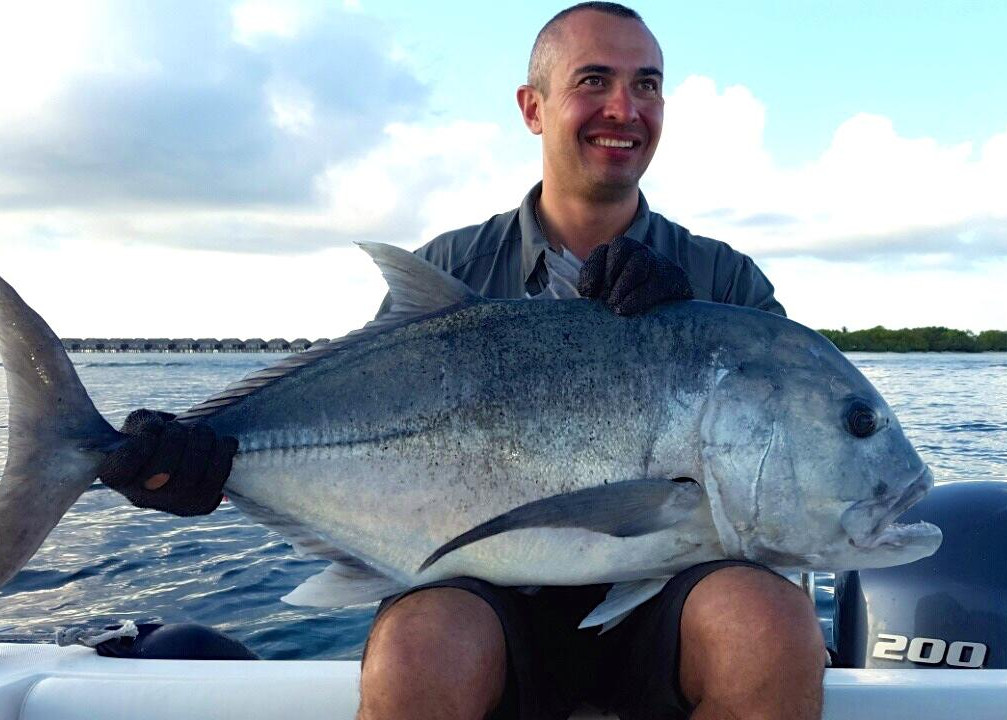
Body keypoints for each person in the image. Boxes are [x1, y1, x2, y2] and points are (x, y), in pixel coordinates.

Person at [98, 3, 825, 719]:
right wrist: (203, 457)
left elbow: (790, 462)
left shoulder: (725, 285)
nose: (624, 108)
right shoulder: (453, 270)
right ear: (533, 108)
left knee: (769, 629)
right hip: (483, 595)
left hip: (678, 598)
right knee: (420, 648)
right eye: (594, 80)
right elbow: (359, 434)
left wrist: (689, 315)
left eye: (647, 85)